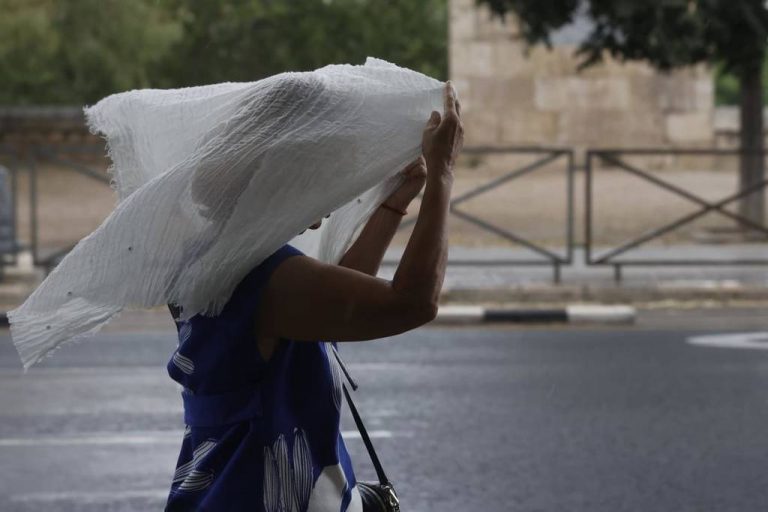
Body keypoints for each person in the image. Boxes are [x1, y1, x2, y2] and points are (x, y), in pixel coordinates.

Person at [165, 82, 463, 512]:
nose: (325, 207)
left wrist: (391, 207)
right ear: (285, 181)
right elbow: (412, 303)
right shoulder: (261, 275)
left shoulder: (215, 257)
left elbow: (328, 309)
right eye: (322, 182)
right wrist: (443, 177)